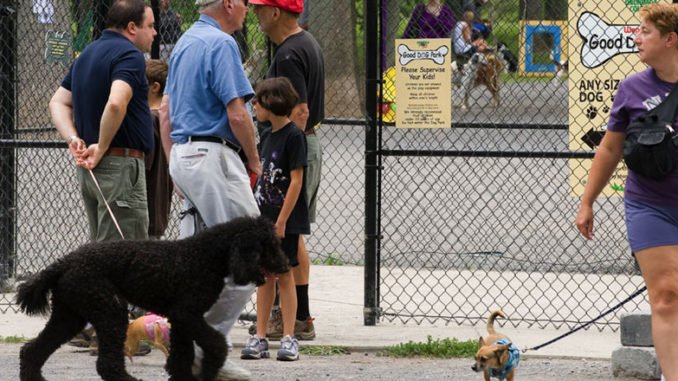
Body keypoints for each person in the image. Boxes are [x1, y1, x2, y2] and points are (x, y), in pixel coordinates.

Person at [575, 4, 678, 381]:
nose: (636, 37)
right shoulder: (631, 88)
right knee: (666, 295)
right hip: (650, 204)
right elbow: (610, 148)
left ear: (670, 39)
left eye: (644, 32)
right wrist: (587, 201)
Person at [159, 0, 261, 379]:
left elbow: (166, 112)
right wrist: (254, 159)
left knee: (195, 263)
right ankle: (206, 343)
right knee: (250, 252)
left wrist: (174, 163)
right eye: (247, 3)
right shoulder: (221, 44)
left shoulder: (185, 41)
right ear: (231, 4)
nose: (248, 11)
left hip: (185, 154)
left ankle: (190, 347)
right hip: (213, 155)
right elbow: (237, 113)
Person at [49, 0, 156, 353]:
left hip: (94, 173)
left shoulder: (87, 55)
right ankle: (111, 334)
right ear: (131, 28)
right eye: (150, 26)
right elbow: (116, 103)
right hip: (120, 165)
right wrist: (101, 145)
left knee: (100, 251)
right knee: (124, 255)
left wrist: (73, 138)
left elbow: (58, 102)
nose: (154, 33)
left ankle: (85, 322)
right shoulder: (128, 58)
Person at [250, 0, 324, 341]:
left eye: (260, 8)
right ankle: (300, 316)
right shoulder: (304, 42)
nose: (255, 14)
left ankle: (292, 317)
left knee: (287, 236)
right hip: (305, 146)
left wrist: (276, 152)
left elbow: (299, 110)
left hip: (292, 149)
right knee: (294, 237)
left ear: (276, 12)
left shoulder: (289, 53)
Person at [241, 77, 309, 362]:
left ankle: (289, 337)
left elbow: (295, 181)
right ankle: (260, 336)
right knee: (264, 277)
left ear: (274, 102)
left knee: (284, 275)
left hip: (284, 221)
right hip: (264, 219)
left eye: (259, 100)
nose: (254, 104)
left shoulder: (294, 136)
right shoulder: (267, 134)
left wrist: (282, 221)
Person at [144, 59, 173, 239]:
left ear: (154, 87)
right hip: (160, 208)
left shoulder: (149, 119)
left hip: (146, 206)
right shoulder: (169, 118)